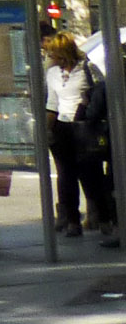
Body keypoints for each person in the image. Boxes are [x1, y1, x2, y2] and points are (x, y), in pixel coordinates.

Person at [44, 34, 113, 240]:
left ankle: (103, 218)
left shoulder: (87, 69)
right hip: (62, 126)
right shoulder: (53, 73)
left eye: (53, 54)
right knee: (66, 175)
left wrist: (87, 107)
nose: (51, 58)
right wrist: (48, 129)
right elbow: (52, 103)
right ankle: (72, 220)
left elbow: (100, 94)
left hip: (84, 126)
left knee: (90, 173)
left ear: (63, 52)